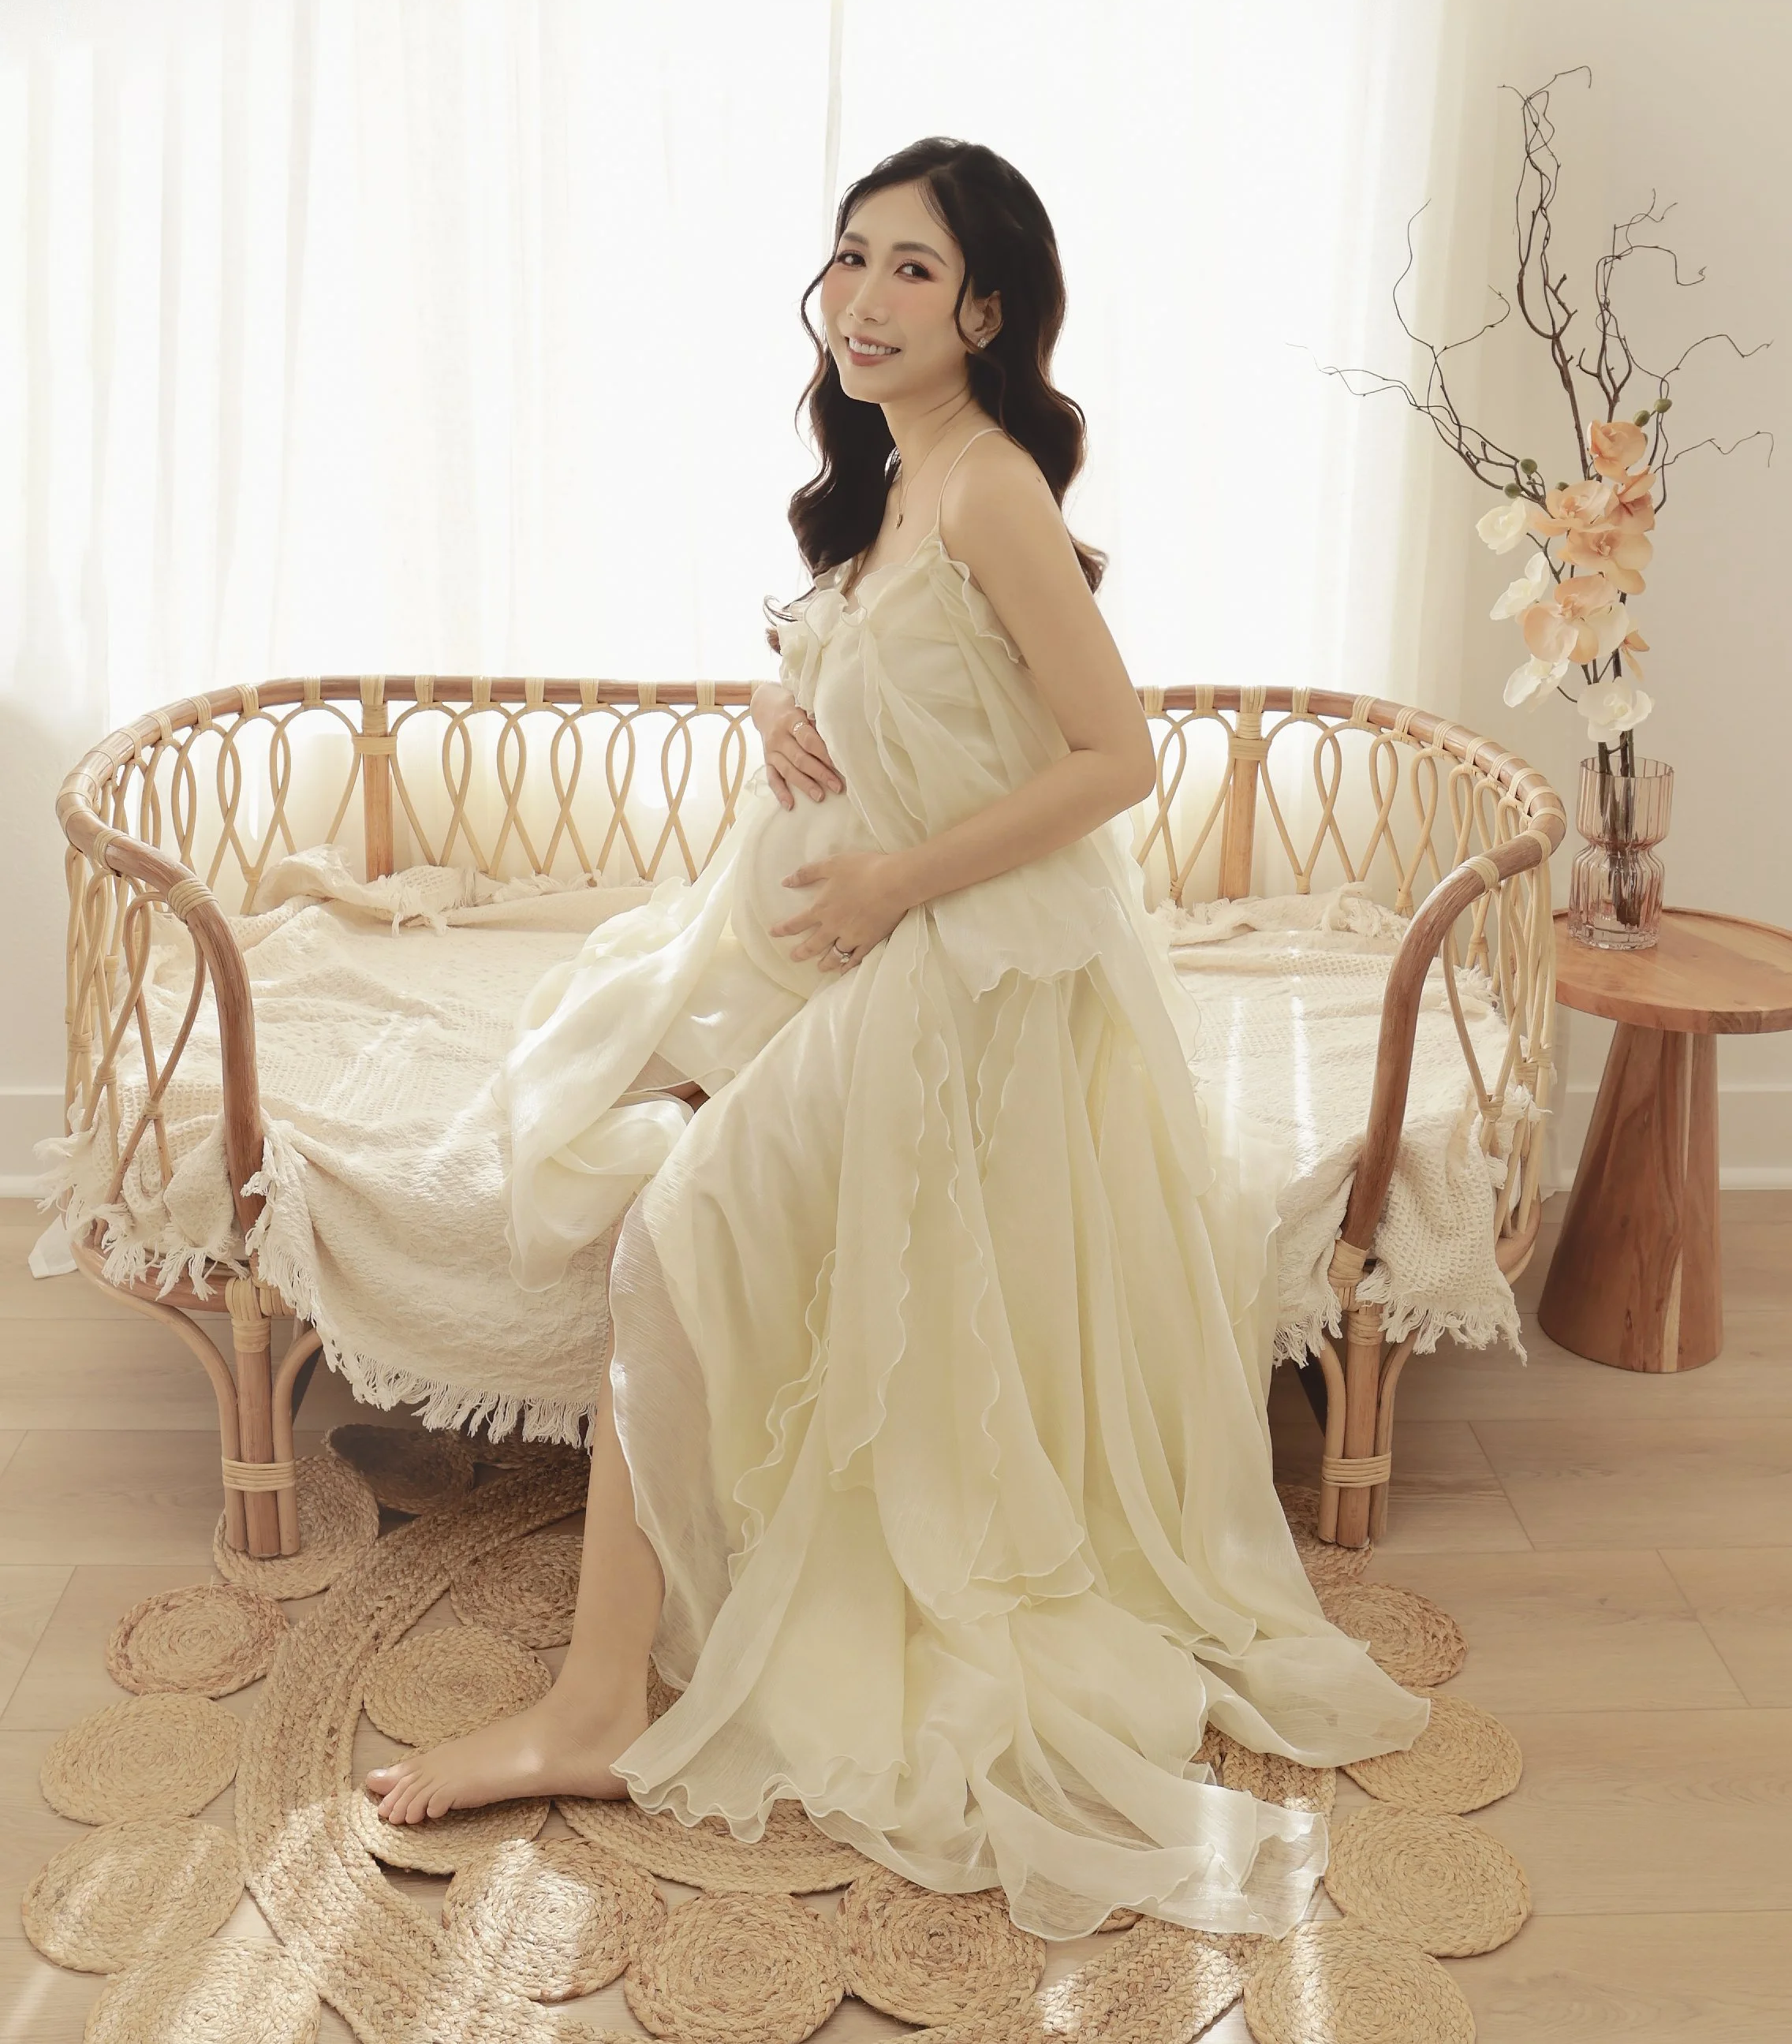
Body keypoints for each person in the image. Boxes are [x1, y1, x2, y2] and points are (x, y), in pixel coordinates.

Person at [365, 136, 1428, 1941]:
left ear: (986, 312)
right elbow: (911, 681)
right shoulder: (891, 481)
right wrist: (776, 701)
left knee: (672, 1229)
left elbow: (1115, 761)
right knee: (642, 1109)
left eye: (911, 269)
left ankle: (592, 1708)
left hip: (966, 958)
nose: (860, 298)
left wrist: (888, 889)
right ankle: (652, 1627)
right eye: (849, 257)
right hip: (863, 940)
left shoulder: (990, 488)